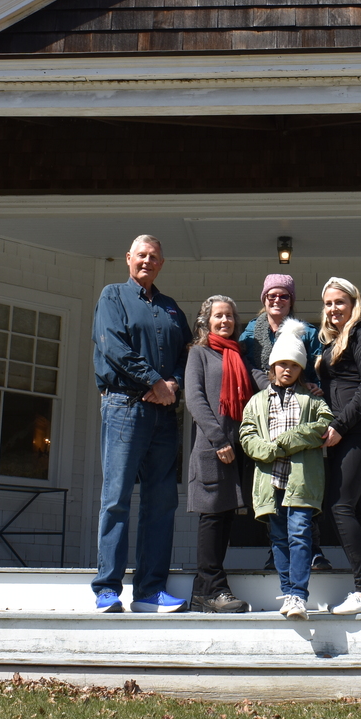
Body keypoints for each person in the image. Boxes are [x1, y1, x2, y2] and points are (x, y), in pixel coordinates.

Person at [91, 235, 192, 614]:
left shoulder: (170, 308)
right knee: (116, 498)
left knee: (161, 501)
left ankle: (150, 591)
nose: (147, 261)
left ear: (161, 264)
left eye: (154, 257)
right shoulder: (113, 296)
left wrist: (173, 386)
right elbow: (112, 345)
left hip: (164, 415)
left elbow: (186, 353)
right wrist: (154, 381)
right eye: (141, 255)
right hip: (123, 407)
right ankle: (107, 589)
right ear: (128, 259)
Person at [238, 274, 334, 571]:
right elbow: (243, 364)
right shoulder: (251, 332)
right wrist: (262, 385)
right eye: (271, 296)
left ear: (292, 300)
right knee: (272, 486)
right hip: (267, 409)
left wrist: (314, 385)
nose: (276, 301)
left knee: (302, 482)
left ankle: (312, 550)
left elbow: (319, 362)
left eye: (283, 296)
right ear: (263, 299)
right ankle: (276, 551)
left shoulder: (305, 330)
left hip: (300, 407)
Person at [315, 276, 361, 615]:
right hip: (345, 431)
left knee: (339, 507)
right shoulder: (336, 340)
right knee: (357, 510)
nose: (332, 309)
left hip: (357, 431)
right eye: (328, 304)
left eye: (338, 302)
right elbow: (342, 384)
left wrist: (340, 426)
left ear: (353, 302)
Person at [183, 295, 253, 613]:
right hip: (213, 448)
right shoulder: (199, 353)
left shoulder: (238, 355)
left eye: (229, 316)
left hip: (237, 449)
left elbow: (259, 383)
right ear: (206, 321)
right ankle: (214, 588)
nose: (225, 321)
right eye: (218, 316)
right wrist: (218, 439)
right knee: (211, 518)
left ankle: (201, 593)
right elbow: (195, 399)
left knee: (225, 519)